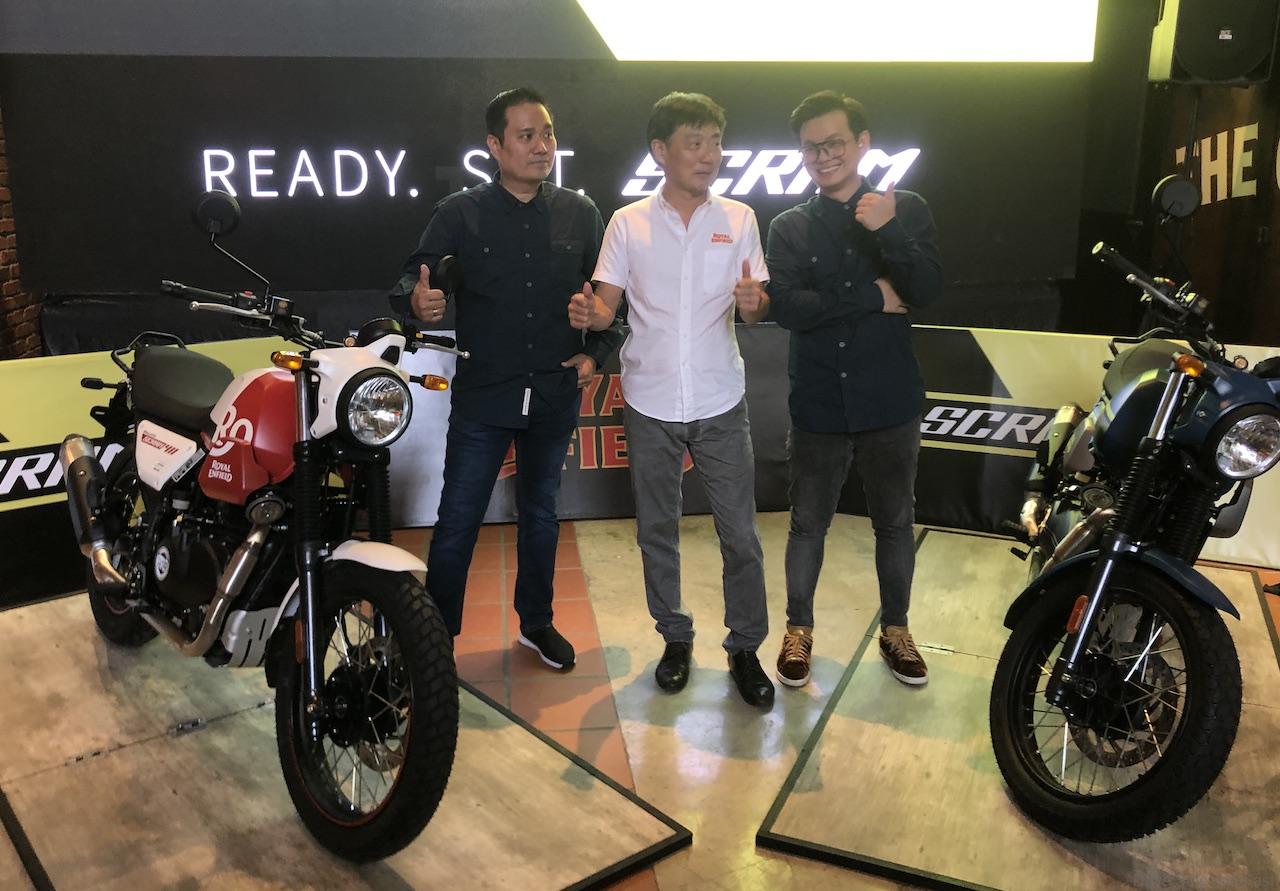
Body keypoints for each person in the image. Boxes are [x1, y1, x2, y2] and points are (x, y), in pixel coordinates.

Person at [390, 87, 623, 670]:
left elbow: (610, 303)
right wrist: (417, 302)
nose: (542, 146)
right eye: (527, 136)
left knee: (541, 516)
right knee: (458, 519)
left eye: (548, 133)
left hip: (553, 393)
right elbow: (411, 281)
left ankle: (536, 623)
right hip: (484, 395)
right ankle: (435, 642)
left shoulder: (580, 213)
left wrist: (595, 354)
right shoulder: (459, 213)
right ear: (495, 146)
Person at [568, 92, 774, 708]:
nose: (710, 154)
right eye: (695, 142)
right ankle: (675, 636)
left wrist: (755, 304)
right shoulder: (627, 223)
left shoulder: (740, 218)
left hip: (720, 398)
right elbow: (606, 305)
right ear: (661, 151)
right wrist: (589, 313)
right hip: (649, 399)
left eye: (716, 141)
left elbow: (757, 305)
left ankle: (744, 647)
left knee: (741, 536)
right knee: (657, 531)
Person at [765, 90, 943, 688]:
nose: (823, 156)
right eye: (811, 147)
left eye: (834, 143)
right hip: (818, 402)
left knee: (894, 523)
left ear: (862, 143)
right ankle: (798, 630)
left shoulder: (904, 209)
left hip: (889, 400)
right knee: (806, 525)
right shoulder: (790, 226)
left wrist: (888, 231)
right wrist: (872, 296)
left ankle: (897, 630)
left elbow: (926, 290)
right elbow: (788, 307)